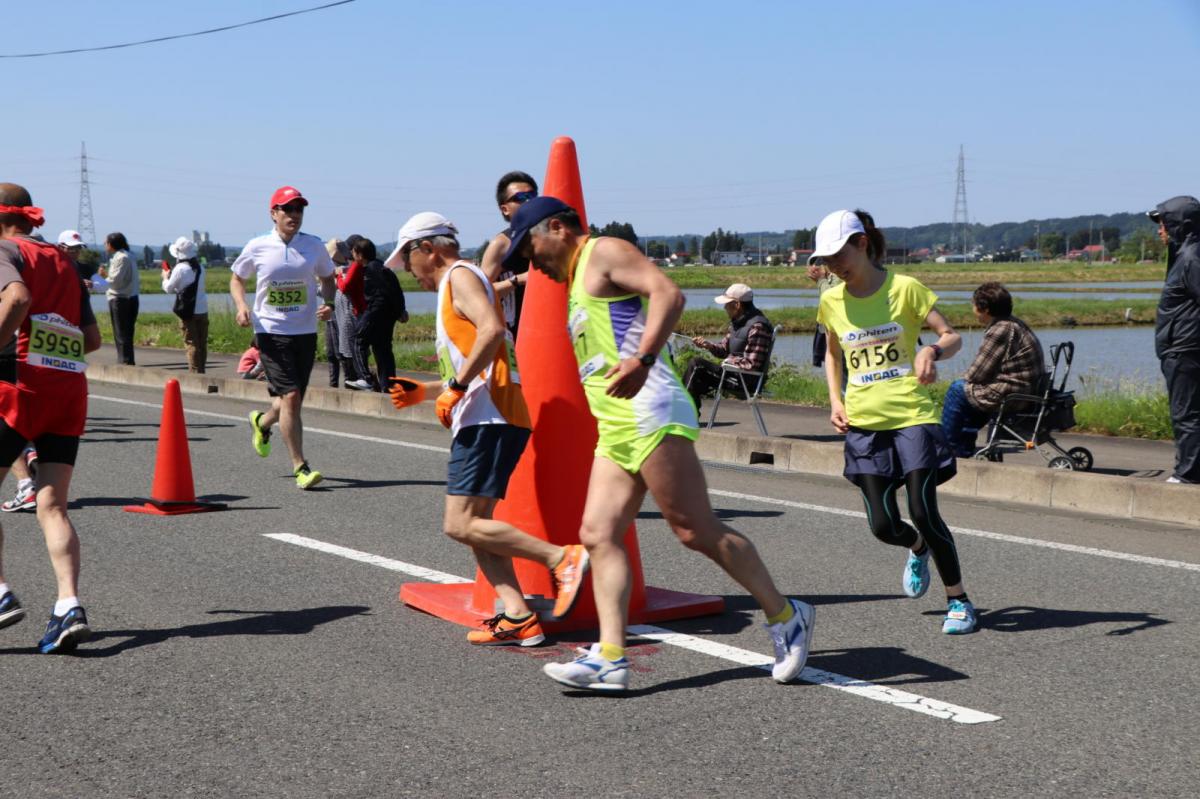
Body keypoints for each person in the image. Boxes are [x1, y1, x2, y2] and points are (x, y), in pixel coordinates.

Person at [501, 197, 814, 692]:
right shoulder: (576, 281)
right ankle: (609, 657)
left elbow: (667, 292)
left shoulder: (603, 251)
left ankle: (785, 613)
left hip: (651, 409)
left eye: (529, 247)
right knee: (597, 534)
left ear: (556, 228)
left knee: (693, 530)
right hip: (617, 425)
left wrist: (644, 358)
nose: (529, 261)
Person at [385, 211, 588, 646]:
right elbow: (483, 358)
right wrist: (428, 390)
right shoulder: (461, 282)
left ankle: (562, 558)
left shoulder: (459, 275)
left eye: (408, 259)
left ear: (428, 249)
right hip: (491, 411)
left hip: (489, 415)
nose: (408, 272)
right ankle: (517, 615)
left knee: (459, 525)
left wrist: (455, 388)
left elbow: (493, 331)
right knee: (478, 525)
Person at [811, 208, 976, 635]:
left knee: (923, 510)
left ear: (862, 243)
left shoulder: (905, 289)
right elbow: (832, 354)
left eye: (838, 255)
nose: (833, 266)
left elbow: (951, 335)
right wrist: (835, 399)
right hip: (864, 422)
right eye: (826, 260)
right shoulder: (831, 300)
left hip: (912, 416)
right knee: (883, 526)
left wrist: (931, 351)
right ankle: (916, 549)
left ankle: (958, 600)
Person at [0, 182, 102, 653]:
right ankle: (68, 606)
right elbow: (92, 338)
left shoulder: (5, 250)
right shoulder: (63, 260)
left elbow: (16, 299)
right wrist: (53, 350)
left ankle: (0, 596)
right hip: (66, 391)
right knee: (53, 503)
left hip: (18, 387)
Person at [231, 186, 336, 490]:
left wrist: (328, 303)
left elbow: (328, 278)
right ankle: (300, 467)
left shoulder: (314, 246)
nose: (294, 215)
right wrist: (241, 306)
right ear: (273, 213)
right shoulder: (258, 246)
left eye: (299, 209)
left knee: (292, 401)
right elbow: (237, 278)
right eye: (287, 209)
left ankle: (261, 423)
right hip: (270, 331)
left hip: (303, 331)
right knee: (290, 397)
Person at [940, 282, 1045, 457]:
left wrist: (964, 380)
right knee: (967, 394)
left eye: (974, 305)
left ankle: (946, 448)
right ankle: (961, 449)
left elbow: (976, 374)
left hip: (1014, 393)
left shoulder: (1000, 330)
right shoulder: (1013, 323)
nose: (972, 309)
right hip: (1025, 389)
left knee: (957, 390)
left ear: (985, 309)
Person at [1149, 196, 1200, 484]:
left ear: (1181, 225)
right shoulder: (1185, 255)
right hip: (1180, 348)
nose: (1160, 230)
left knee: (1186, 414)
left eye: (1164, 223)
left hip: (1186, 349)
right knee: (1188, 413)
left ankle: (1188, 475)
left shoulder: (1192, 259)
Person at [683, 283, 773, 411]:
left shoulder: (758, 327)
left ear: (737, 305)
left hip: (744, 381)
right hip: (733, 374)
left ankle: (684, 414)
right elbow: (723, 350)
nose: (724, 307)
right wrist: (708, 346)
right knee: (696, 373)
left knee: (697, 365)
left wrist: (729, 361)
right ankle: (687, 414)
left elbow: (751, 365)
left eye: (727, 304)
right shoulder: (737, 323)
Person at [479, 171, 538, 340]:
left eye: (532, 195)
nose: (528, 201)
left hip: (548, 330)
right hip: (514, 335)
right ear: (505, 209)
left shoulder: (550, 237)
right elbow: (481, 294)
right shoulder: (501, 244)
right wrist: (518, 280)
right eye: (520, 198)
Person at [353, 237, 407, 390]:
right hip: (386, 315)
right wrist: (400, 310)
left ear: (360, 254)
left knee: (358, 340)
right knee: (382, 349)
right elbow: (397, 289)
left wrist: (372, 314)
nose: (352, 256)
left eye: (354, 252)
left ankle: (365, 379)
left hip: (376, 313)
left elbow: (386, 292)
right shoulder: (381, 266)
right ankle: (388, 386)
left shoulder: (372, 269)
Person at [162, 236, 209, 374]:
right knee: (202, 343)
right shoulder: (200, 267)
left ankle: (195, 373)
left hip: (188, 311)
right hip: (202, 309)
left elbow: (169, 289)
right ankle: (201, 370)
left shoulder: (180, 268)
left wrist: (165, 278)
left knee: (191, 343)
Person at [337, 233, 372, 390]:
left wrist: (338, 276)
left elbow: (345, 287)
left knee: (355, 345)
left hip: (358, 312)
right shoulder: (371, 266)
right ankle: (366, 378)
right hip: (367, 311)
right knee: (361, 346)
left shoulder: (356, 266)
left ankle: (363, 378)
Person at [104, 231, 139, 365]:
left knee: (120, 333)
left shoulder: (121, 257)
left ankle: (124, 362)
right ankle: (128, 360)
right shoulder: (130, 255)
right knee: (128, 332)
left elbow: (115, 281)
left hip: (120, 298)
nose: (105, 245)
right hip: (132, 297)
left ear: (112, 244)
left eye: (106, 242)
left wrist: (98, 282)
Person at [323, 238, 351, 388]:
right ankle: (333, 383)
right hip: (329, 315)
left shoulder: (347, 268)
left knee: (341, 351)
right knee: (331, 352)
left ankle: (348, 381)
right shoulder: (329, 267)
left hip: (340, 315)